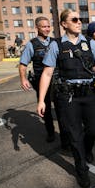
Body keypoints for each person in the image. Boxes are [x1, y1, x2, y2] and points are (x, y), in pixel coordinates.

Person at [37, 9, 95, 188]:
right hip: (67, 96)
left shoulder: (89, 43)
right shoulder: (57, 45)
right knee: (74, 135)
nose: (79, 22)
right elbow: (47, 73)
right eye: (74, 19)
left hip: (90, 94)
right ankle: (81, 169)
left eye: (80, 19)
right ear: (64, 24)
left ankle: (87, 149)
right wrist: (41, 100)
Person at [19, 16, 70, 148]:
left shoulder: (55, 42)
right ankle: (51, 132)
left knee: (61, 110)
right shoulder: (32, 44)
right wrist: (23, 78)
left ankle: (65, 139)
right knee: (46, 109)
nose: (47, 29)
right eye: (44, 26)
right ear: (37, 28)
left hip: (57, 81)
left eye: (48, 26)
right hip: (41, 82)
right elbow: (23, 64)